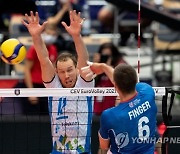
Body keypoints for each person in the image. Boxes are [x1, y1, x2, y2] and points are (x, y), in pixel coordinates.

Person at [22, 10, 95, 153]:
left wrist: (76, 36)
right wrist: (36, 36)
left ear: (77, 69)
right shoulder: (53, 86)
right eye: (61, 71)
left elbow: (84, 59)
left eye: (69, 70)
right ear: (57, 73)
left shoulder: (84, 84)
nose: (66, 75)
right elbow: (44, 59)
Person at [84, 63, 158, 153]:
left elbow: (104, 146)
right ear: (135, 81)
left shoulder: (110, 115)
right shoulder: (148, 91)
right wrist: (104, 67)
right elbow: (123, 80)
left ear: (115, 86)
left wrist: (103, 67)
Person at [23, 23, 58, 115]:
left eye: (53, 35)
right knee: (33, 118)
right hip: (34, 86)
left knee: (47, 117)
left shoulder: (53, 48)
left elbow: (53, 69)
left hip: (47, 87)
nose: (51, 36)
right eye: (49, 33)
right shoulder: (34, 49)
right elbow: (26, 70)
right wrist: (31, 92)